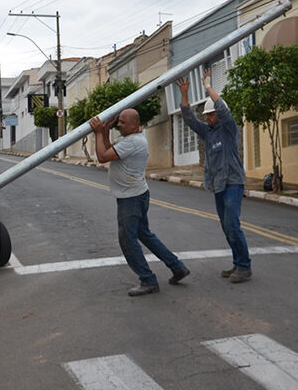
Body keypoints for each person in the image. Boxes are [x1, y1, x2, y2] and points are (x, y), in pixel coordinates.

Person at [90, 109, 190, 296]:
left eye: (122, 122)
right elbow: (110, 151)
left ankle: (148, 280)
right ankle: (177, 267)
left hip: (131, 199)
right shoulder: (129, 140)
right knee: (144, 234)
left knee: (127, 240)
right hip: (136, 195)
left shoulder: (134, 142)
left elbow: (103, 157)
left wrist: (97, 133)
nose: (119, 124)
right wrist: (104, 132)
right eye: (118, 121)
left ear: (134, 125)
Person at [177, 68, 251, 283]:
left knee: (232, 225)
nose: (207, 117)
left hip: (233, 183)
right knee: (226, 227)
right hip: (218, 185)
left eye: (210, 114)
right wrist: (184, 94)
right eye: (207, 115)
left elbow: (224, 110)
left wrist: (208, 87)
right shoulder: (208, 132)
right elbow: (189, 119)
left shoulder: (229, 129)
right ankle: (238, 264)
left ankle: (244, 267)